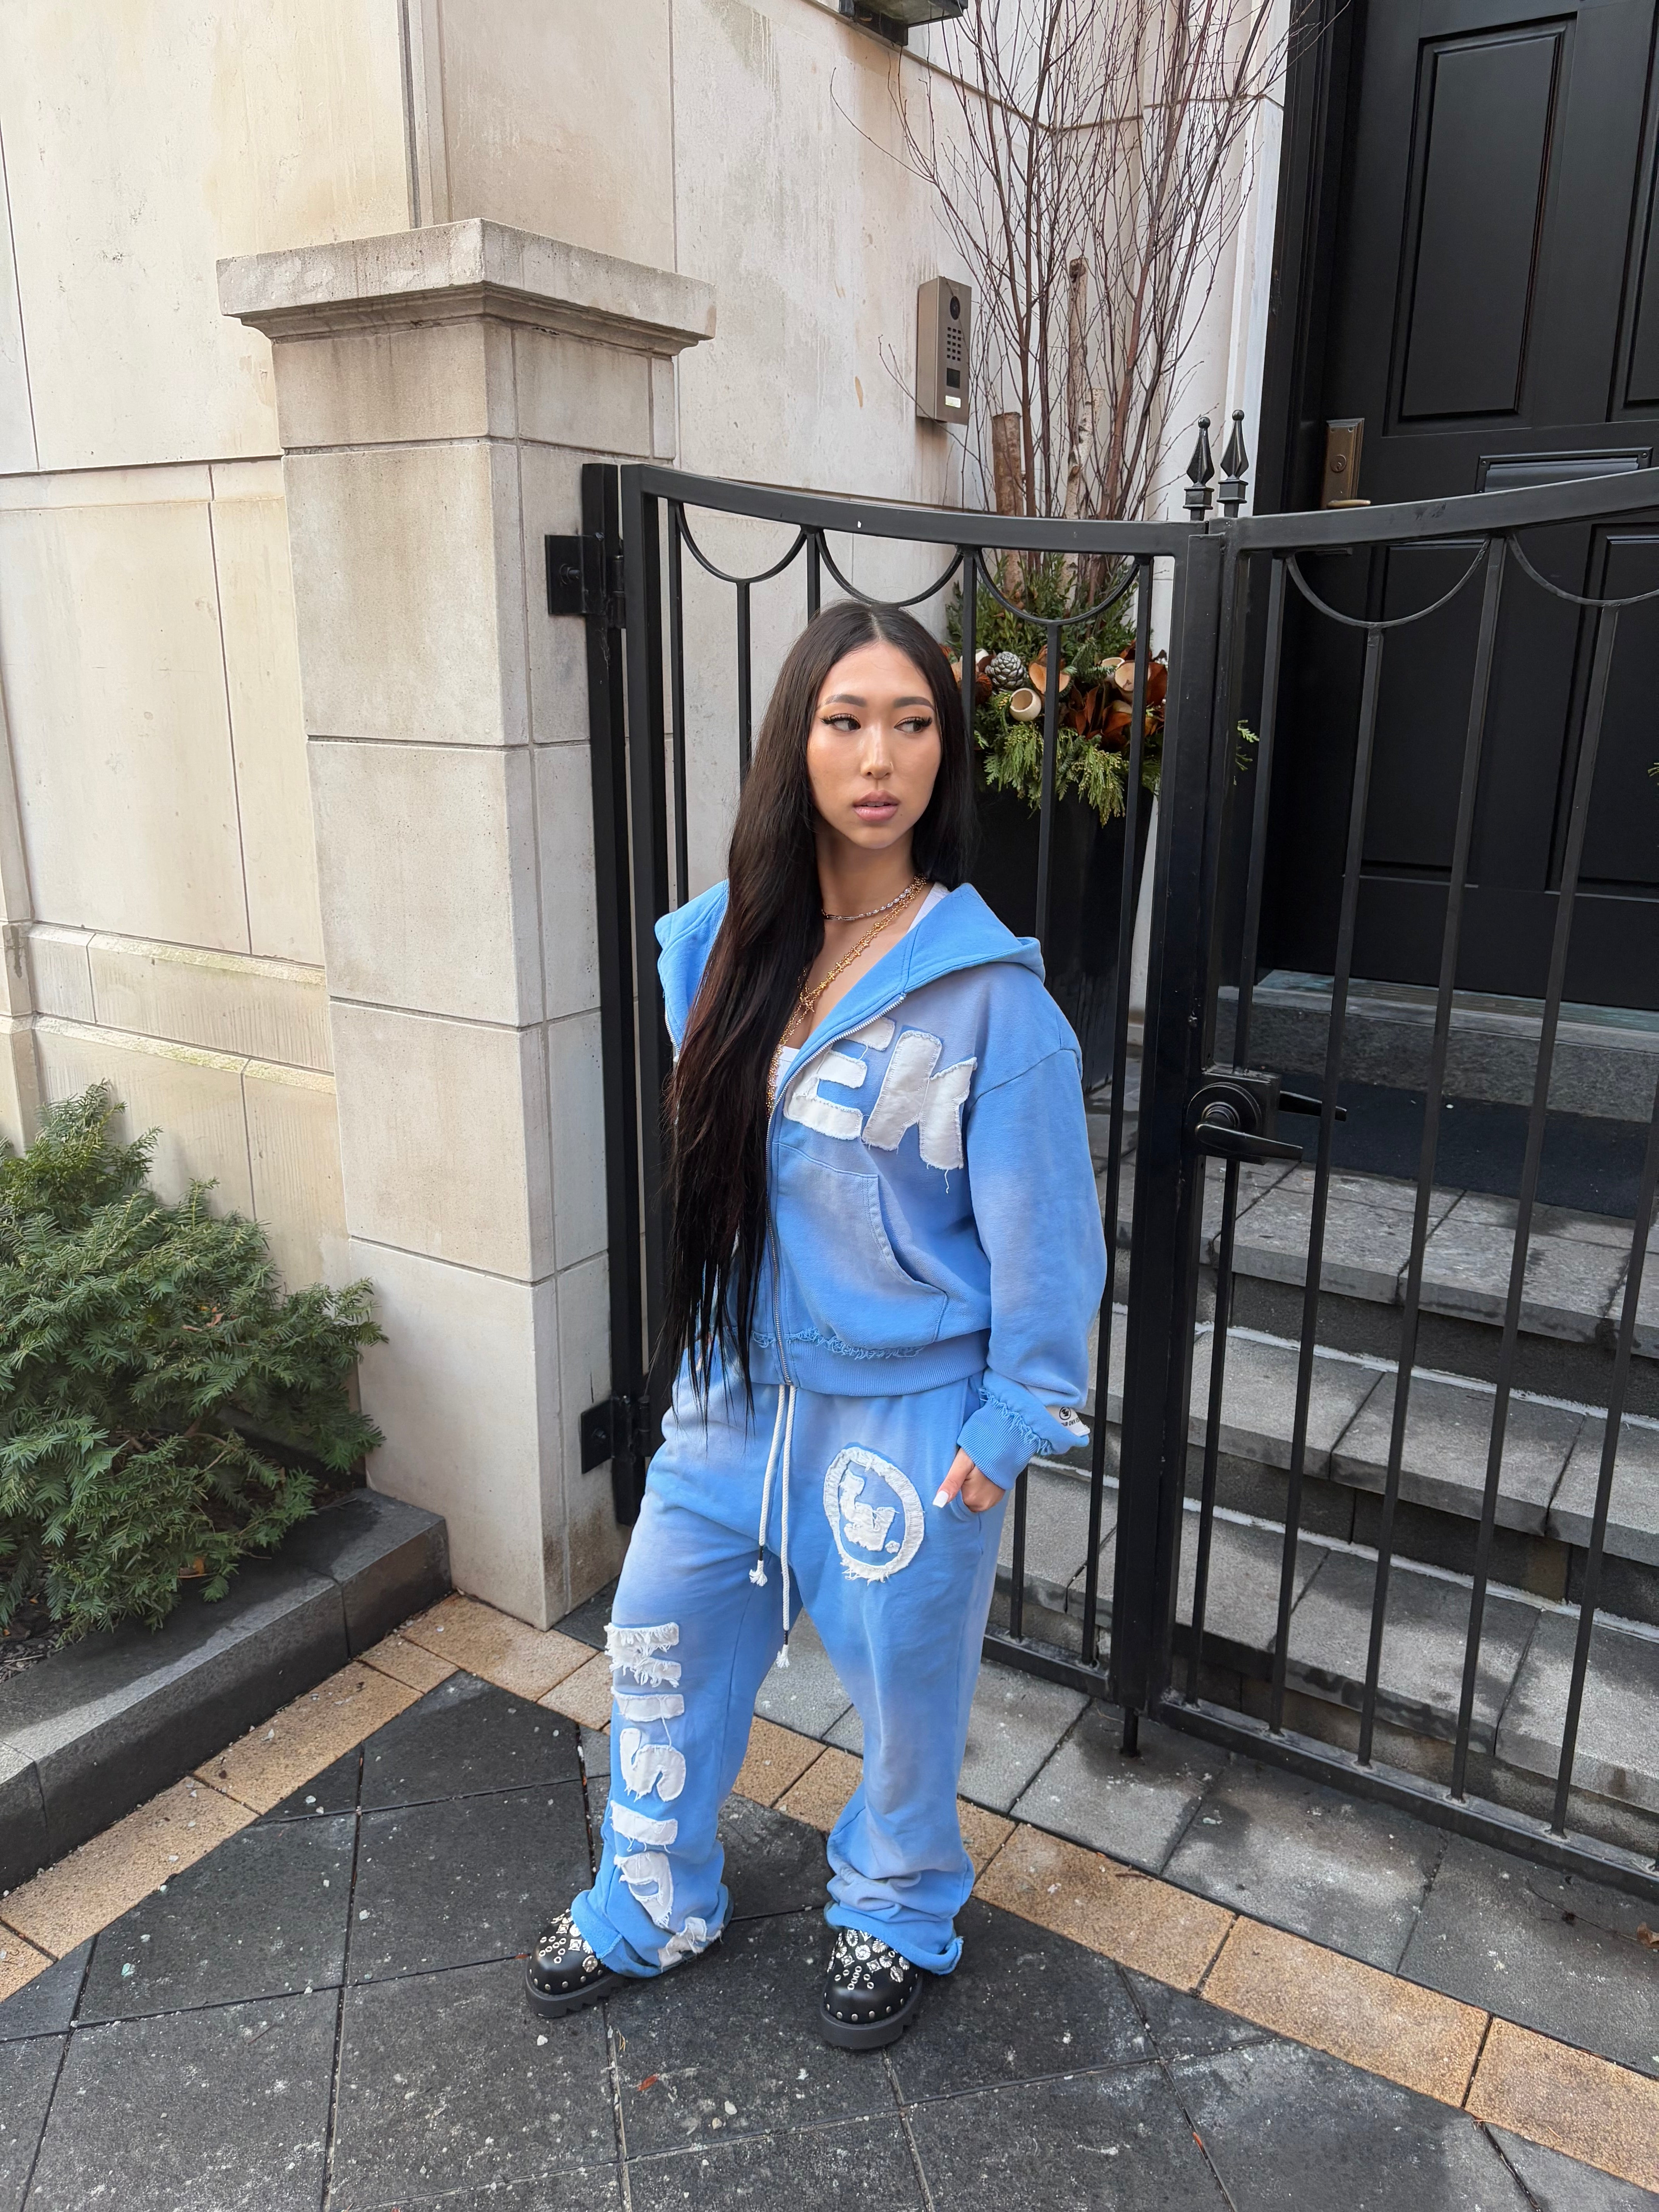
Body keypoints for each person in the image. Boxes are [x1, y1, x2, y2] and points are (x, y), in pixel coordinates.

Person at [525, 599, 1106, 2048]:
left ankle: (895, 1906)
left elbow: (1047, 1236)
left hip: (905, 1420)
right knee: (655, 1646)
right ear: (797, 741)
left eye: (912, 725)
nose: (879, 757)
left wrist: (1014, 1418)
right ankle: (649, 1898)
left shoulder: (991, 1001)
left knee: (905, 1699)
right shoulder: (717, 950)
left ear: (944, 754)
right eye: (846, 721)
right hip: (729, 1401)